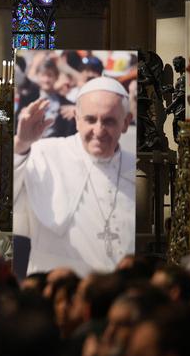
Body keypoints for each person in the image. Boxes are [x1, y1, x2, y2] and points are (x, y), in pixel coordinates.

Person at [13, 76, 136, 276]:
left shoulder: (136, 167)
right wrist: (21, 144)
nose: (98, 130)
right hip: (55, 290)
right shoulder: (44, 153)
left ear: (126, 122)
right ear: (76, 118)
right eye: (90, 119)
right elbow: (7, 197)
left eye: (109, 121)